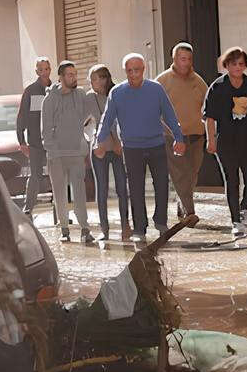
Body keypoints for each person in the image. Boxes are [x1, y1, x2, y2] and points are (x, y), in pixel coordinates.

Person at [95, 53, 187, 240]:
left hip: (156, 145)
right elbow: (107, 119)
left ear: (143, 70)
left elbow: (169, 115)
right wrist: (99, 141)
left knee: (162, 185)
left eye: (137, 70)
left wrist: (179, 138)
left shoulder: (156, 89)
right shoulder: (117, 93)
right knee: (135, 189)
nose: (134, 74)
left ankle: (161, 222)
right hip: (131, 148)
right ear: (125, 72)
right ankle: (139, 229)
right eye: (130, 71)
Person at [203, 47, 247, 237]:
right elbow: (209, 117)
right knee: (231, 180)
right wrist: (210, 140)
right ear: (226, 65)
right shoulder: (217, 87)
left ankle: (244, 206)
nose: (237, 67)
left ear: (245, 66)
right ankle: (235, 220)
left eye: (241, 64)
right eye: (233, 64)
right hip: (226, 141)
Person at [39, 60, 98, 245]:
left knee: (79, 192)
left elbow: (91, 116)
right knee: (60, 193)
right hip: (56, 155)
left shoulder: (80, 95)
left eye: (75, 74)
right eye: (70, 75)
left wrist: (85, 140)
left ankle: (84, 228)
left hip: (76, 153)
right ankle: (64, 228)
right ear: (61, 77)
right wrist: (52, 150)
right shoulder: (49, 100)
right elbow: (45, 129)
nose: (74, 77)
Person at [155, 43, 208, 231]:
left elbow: (208, 105)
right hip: (172, 137)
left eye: (189, 59)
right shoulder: (162, 81)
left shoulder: (198, 81)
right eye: (182, 59)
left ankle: (182, 203)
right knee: (180, 174)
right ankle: (190, 212)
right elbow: (155, 111)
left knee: (192, 174)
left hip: (196, 136)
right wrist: (168, 132)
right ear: (174, 59)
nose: (186, 63)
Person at [86, 64, 132, 243]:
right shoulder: (88, 97)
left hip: (117, 147)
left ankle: (125, 225)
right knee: (102, 189)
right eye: (92, 78)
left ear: (106, 78)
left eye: (98, 78)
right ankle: (104, 229)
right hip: (99, 148)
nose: (94, 82)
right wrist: (94, 144)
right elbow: (85, 124)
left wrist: (121, 142)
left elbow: (123, 120)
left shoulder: (117, 93)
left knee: (122, 188)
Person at [13, 58, 52, 215]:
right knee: (35, 176)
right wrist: (21, 140)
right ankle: (28, 209)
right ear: (37, 72)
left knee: (57, 177)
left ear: (50, 70)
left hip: (53, 142)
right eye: (41, 69)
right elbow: (22, 116)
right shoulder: (30, 90)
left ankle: (60, 213)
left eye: (47, 68)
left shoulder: (55, 89)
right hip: (35, 143)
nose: (44, 72)